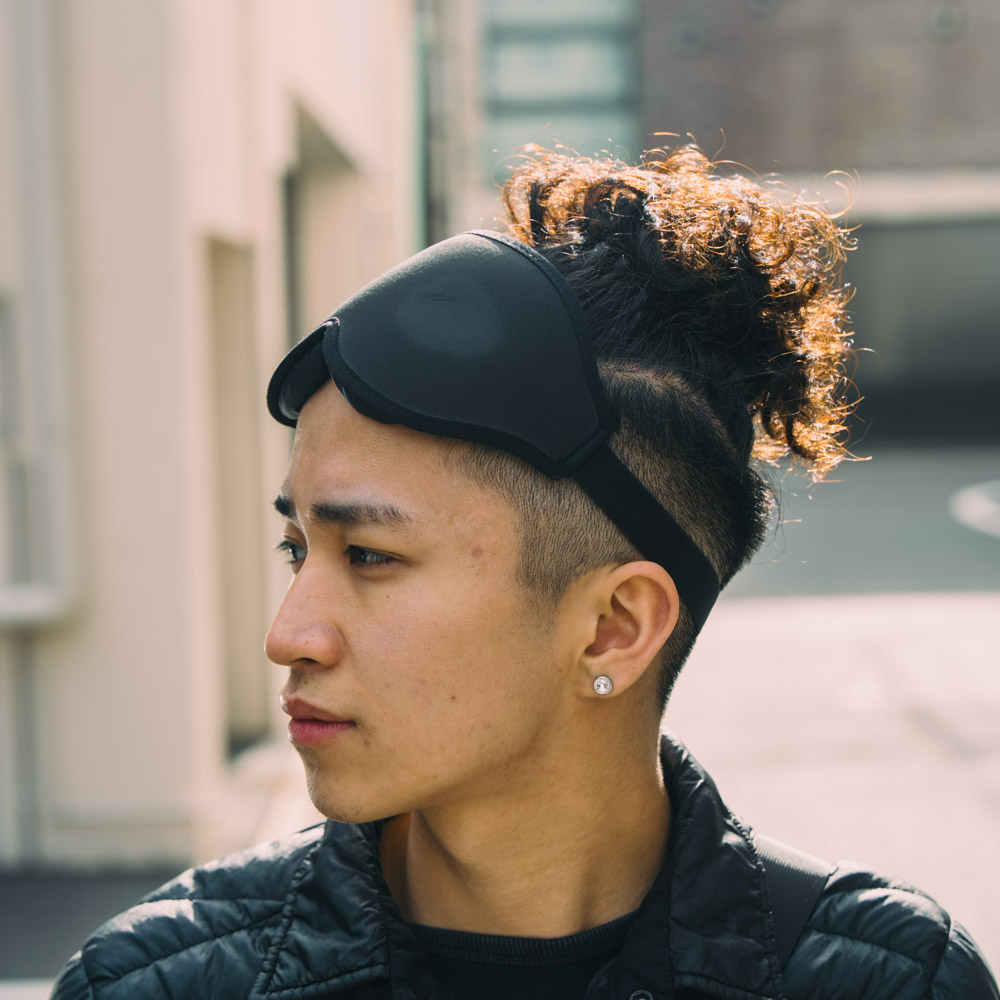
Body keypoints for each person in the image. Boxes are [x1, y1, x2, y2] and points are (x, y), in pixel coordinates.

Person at [52, 144, 998, 999]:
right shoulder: (157, 984)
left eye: (370, 555)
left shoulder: (889, 985)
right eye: (298, 550)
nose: (287, 635)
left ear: (614, 628)